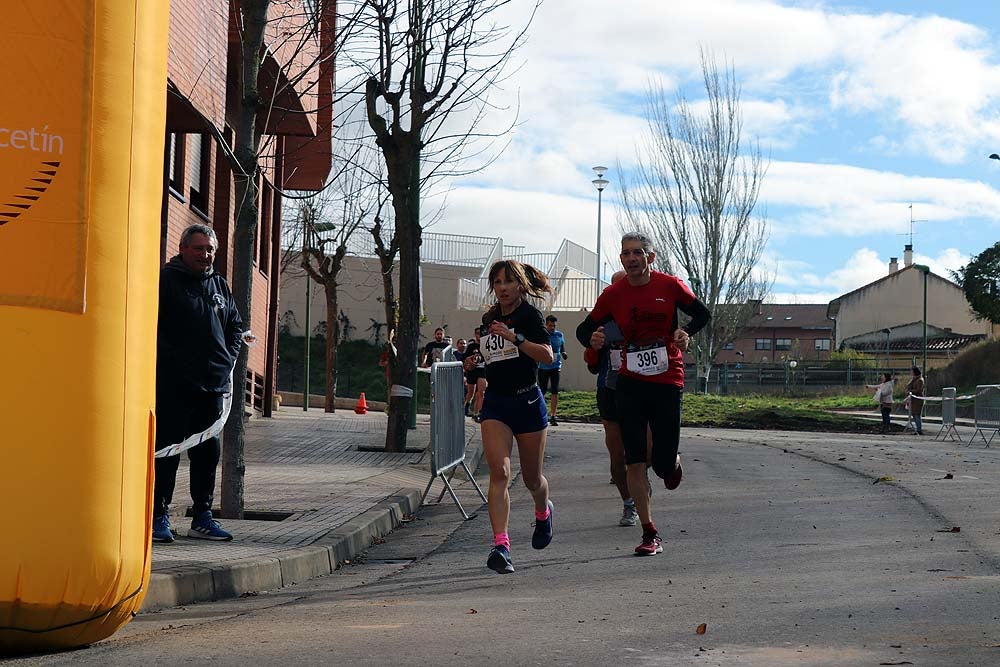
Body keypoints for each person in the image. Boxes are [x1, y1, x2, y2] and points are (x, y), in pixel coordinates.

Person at [576, 232, 711, 557]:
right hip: (630, 381)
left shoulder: (670, 285)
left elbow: (703, 314)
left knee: (662, 464)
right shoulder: (614, 294)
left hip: (667, 379)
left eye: (638, 253)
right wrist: (592, 340)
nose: (631, 258)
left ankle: (671, 463)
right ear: (622, 259)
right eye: (626, 254)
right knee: (632, 459)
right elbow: (583, 330)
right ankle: (649, 532)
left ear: (650, 258)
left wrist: (684, 333)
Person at [153, 223, 244, 543]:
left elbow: (235, 328)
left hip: (213, 388)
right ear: (183, 249)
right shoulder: (165, 281)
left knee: (207, 455)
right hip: (174, 387)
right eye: (198, 248)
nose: (205, 255)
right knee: (167, 452)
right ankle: (158, 515)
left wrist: (226, 362)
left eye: (210, 250)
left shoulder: (219, 285)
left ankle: (202, 518)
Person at [478, 259, 555, 574]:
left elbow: (547, 356)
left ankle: (543, 512)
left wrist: (515, 338)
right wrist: (475, 362)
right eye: (497, 282)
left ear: (521, 285)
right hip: (497, 403)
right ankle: (501, 545)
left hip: (527, 402)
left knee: (532, 478)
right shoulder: (490, 317)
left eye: (509, 282)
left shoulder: (530, 316)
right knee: (499, 473)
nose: (503, 288)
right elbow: (492, 356)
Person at [583, 270, 640, 527]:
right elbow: (592, 365)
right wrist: (593, 346)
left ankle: (642, 479)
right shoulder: (601, 322)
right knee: (617, 455)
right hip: (610, 390)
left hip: (643, 388)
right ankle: (629, 503)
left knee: (648, 452)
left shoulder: (646, 315)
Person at [537, 315, 568, 425]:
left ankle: (553, 415)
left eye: (554, 326)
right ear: (546, 325)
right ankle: (540, 413)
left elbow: (562, 346)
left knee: (555, 390)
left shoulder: (559, 335)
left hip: (555, 366)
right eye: (550, 326)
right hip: (543, 367)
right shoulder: (542, 335)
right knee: (542, 390)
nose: (552, 328)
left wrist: (564, 353)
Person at [463, 328, 487, 419]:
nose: (479, 336)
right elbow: (465, 358)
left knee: (481, 392)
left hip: (482, 370)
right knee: (470, 392)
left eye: (480, 334)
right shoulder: (471, 346)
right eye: (477, 333)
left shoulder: (486, 345)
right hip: (473, 370)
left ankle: (478, 412)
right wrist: (470, 361)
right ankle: (466, 406)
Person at [905, 367, 925, 435]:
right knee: (914, 414)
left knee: (917, 414)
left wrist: (911, 391)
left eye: (912, 371)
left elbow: (919, 390)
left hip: (918, 400)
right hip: (913, 400)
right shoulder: (914, 379)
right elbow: (908, 386)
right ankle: (917, 429)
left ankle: (919, 429)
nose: (911, 373)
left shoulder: (920, 380)